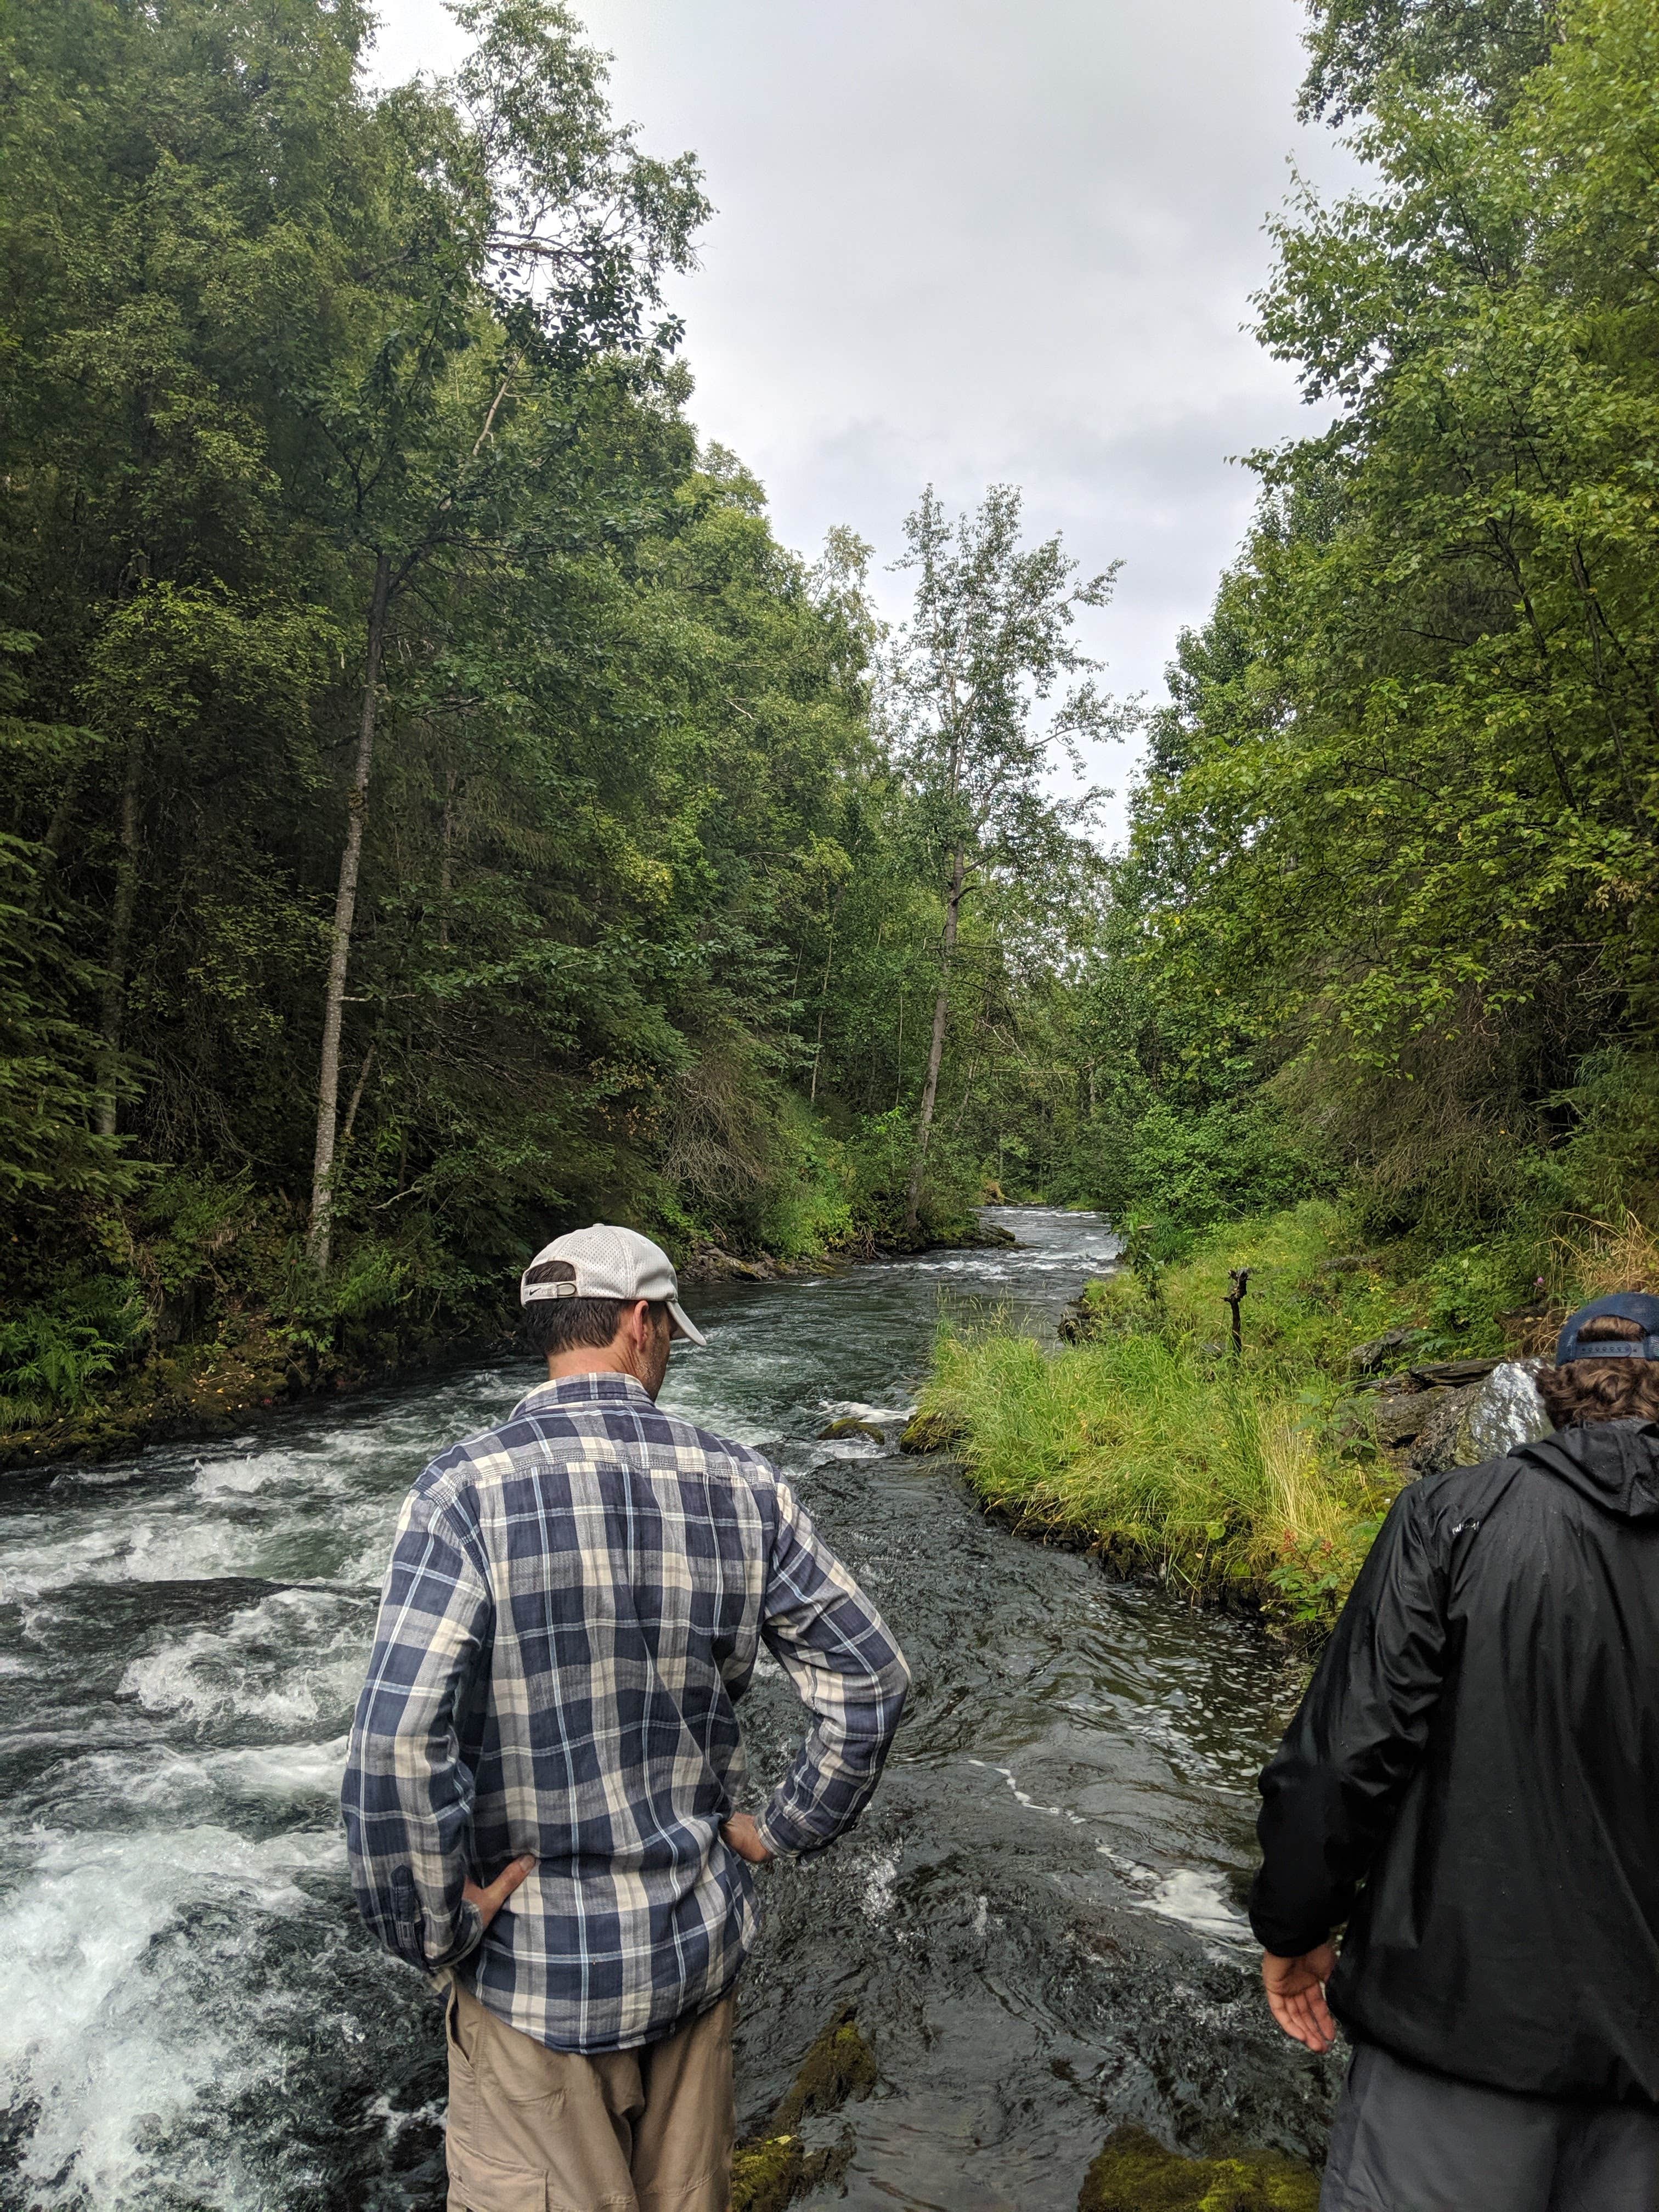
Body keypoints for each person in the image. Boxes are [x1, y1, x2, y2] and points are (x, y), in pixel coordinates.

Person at [342, 1222, 910, 2212]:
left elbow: (397, 1739)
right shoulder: (745, 1484)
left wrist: (435, 1927)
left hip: (532, 1978)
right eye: (670, 1332)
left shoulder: (462, 1492)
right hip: (693, 1955)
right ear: (640, 1323)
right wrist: (781, 1829)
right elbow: (872, 1679)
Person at [1249, 1295, 1659, 2211]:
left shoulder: (1455, 1515)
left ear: (1556, 1390)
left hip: (1455, 2038)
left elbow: (1345, 1758)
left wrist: (1294, 1931)